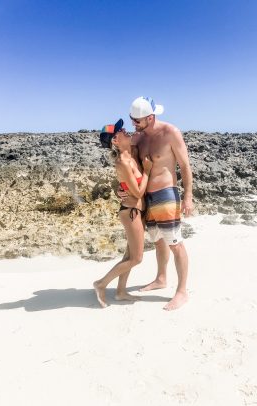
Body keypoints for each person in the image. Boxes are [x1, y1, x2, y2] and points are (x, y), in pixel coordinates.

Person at [123, 96, 194, 311]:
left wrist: (188, 196)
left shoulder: (170, 132)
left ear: (150, 117)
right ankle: (161, 278)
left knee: (174, 243)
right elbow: (129, 165)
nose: (133, 123)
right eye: (131, 119)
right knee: (158, 241)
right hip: (146, 196)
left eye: (137, 120)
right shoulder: (140, 138)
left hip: (166, 193)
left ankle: (182, 291)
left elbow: (184, 165)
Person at [93, 119, 152, 308]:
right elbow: (138, 192)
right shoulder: (122, 162)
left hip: (137, 211)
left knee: (128, 256)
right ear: (115, 142)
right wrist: (148, 172)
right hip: (131, 212)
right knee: (137, 258)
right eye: (120, 131)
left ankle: (120, 291)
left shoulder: (132, 153)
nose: (125, 130)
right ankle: (101, 284)